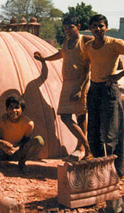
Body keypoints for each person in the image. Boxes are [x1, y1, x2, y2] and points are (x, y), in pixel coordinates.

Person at [83, 14, 124, 177]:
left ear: (106, 27)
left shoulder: (115, 44)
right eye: (94, 26)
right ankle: (100, 168)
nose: (97, 29)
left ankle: (118, 173)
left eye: (101, 26)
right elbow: (85, 67)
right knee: (93, 132)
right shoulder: (89, 46)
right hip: (94, 90)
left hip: (109, 90)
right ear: (90, 29)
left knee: (112, 133)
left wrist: (118, 76)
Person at [34, 16, 92, 160]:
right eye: (65, 28)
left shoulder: (84, 41)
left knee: (78, 116)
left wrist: (80, 88)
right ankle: (84, 146)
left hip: (80, 83)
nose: (68, 31)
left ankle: (84, 147)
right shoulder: (67, 42)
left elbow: (87, 67)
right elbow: (61, 54)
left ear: (78, 25)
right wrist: (44, 59)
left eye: (71, 27)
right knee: (68, 116)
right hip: (67, 83)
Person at [0, 95, 44, 174]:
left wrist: (16, 148)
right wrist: (0, 143)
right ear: (6, 109)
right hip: (2, 151)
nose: (14, 110)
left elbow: (26, 140)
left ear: (22, 110)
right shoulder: (1, 119)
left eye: (17, 107)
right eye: (11, 107)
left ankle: (22, 162)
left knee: (39, 140)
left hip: (18, 152)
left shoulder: (28, 123)